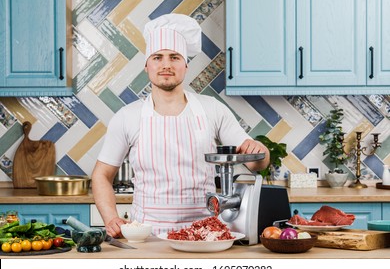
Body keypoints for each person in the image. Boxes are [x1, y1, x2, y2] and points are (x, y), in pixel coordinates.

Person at [91, 13, 270, 238]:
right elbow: (101, 175)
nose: (166, 65)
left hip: (204, 236)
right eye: (158, 57)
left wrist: (258, 150)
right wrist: (111, 218)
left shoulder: (212, 109)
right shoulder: (127, 117)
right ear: (146, 65)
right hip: (147, 238)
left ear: (185, 65)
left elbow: (258, 163)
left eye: (174, 57)